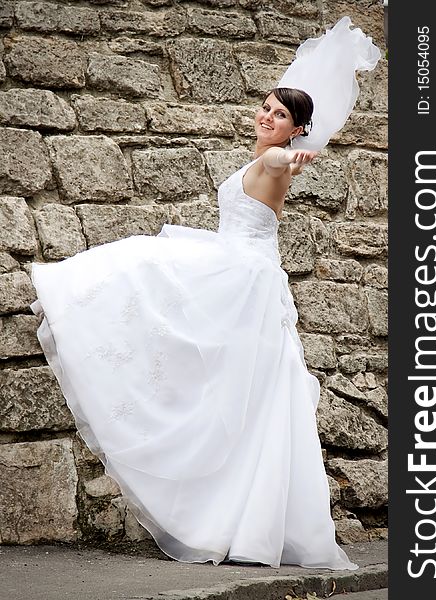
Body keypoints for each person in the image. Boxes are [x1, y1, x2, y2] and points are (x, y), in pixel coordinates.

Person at [31, 17, 381, 570]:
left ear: (295, 131)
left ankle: (249, 524)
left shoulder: (274, 158)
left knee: (147, 268)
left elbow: (280, 163)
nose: (267, 116)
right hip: (240, 271)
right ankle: (237, 520)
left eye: (280, 115)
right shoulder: (258, 155)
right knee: (236, 392)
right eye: (266, 106)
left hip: (244, 276)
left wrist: (294, 157)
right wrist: (284, 151)